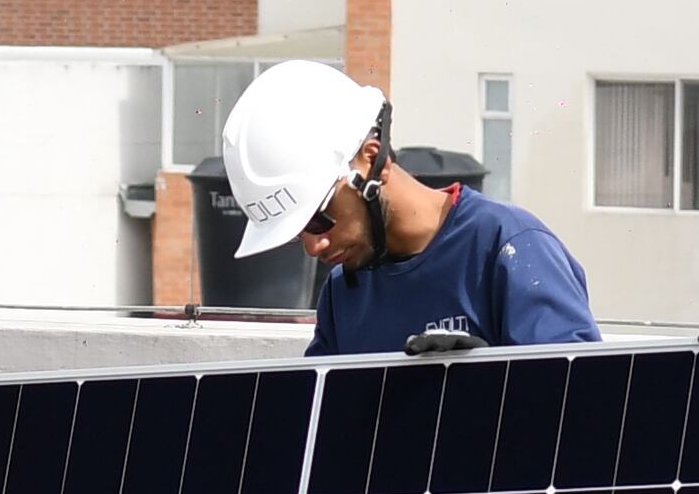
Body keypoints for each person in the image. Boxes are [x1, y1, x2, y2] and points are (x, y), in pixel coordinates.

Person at [221, 57, 601, 356]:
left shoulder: (509, 247)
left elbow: (578, 408)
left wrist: (491, 382)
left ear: (371, 161)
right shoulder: (344, 292)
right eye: (296, 234)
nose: (313, 247)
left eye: (319, 219)